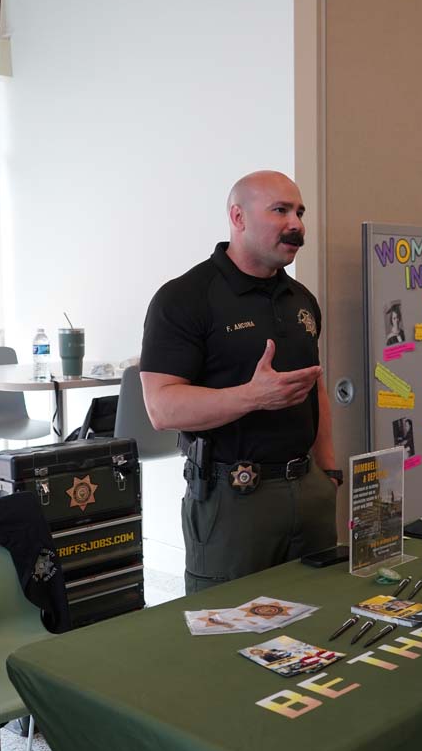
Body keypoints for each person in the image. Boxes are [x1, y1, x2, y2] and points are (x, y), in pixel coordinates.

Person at [140, 170, 342, 594]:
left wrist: (329, 473)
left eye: (300, 212)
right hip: (232, 498)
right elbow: (162, 408)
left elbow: (315, 388)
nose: (297, 224)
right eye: (280, 210)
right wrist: (252, 397)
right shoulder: (185, 298)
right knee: (229, 628)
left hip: (308, 491)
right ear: (238, 217)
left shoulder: (302, 299)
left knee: (319, 616)